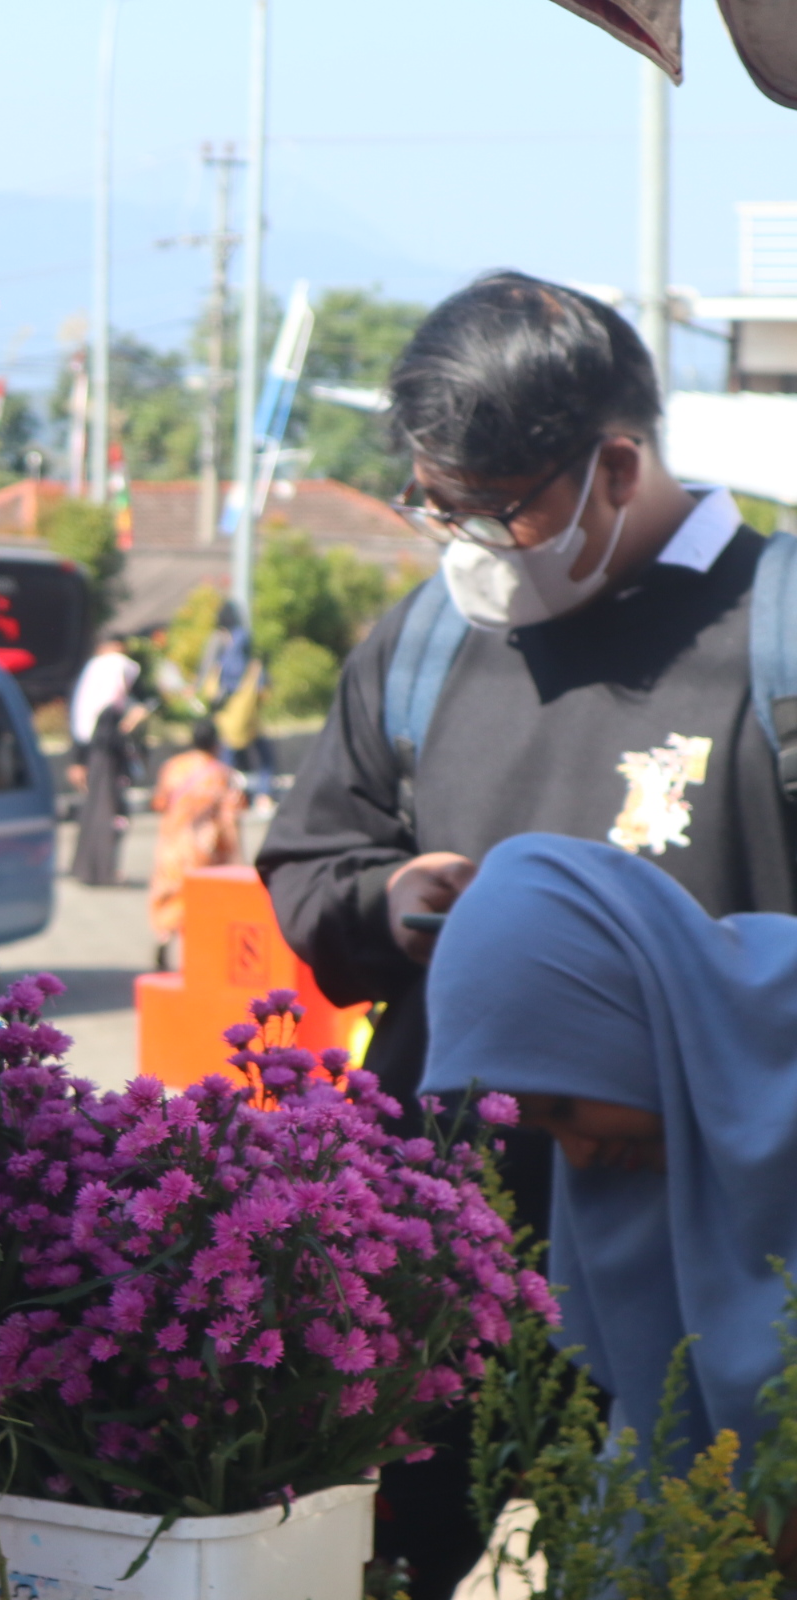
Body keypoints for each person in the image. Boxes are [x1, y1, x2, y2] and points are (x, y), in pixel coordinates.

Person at [256, 269, 794, 1600]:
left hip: (710, 1268)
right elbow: (310, 854)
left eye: (501, 507)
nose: (472, 541)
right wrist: (385, 900)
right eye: (439, 505)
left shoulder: (772, 637)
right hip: (440, 1258)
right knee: (382, 1565)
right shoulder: (430, 641)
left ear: (617, 465)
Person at [422, 832, 788, 1467]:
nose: (579, 1155)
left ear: (621, 1018)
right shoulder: (650, 1146)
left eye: (566, 1107)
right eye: (546, 1130)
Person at [147, 718, 246, 968]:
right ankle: (196, 956)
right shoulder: (221, 774)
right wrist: (237, 856)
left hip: (171, 845)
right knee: (199, 902)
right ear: (216, 744)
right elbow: (229, 818)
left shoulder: (173, 766)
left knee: (171, 895)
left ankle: (164, 937)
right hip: (203, 850)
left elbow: (159, 802)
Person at [67, 636, 146, 886]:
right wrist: (130, 725)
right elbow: (109, 738)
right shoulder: (109, 709)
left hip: (102, 763)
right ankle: (102, 870)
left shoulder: (103, 702)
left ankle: (95, 869)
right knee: (105, 816)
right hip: (107, 766)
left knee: (99, 814)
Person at [199, 599, 274, 808]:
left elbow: (222, 675)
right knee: (264, 756)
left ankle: (224, 798)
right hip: (248, 711)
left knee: (227, 759)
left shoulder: (223, 641)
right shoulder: (243, 639)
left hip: (228, 713)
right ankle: (263, 794)